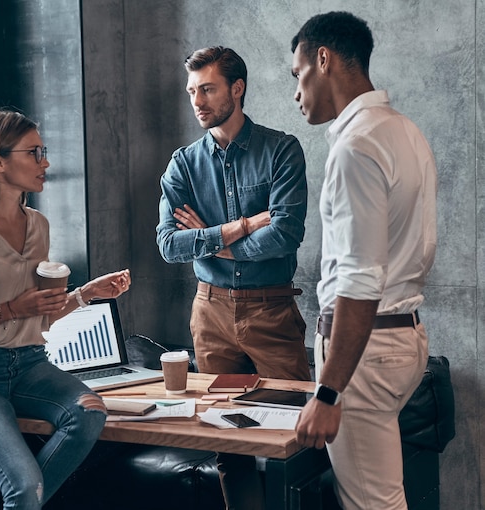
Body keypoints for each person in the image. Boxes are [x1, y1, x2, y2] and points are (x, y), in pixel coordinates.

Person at [0, 109, 132, 509]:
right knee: (24, 486)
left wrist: (86, 293)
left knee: (89, 412)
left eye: (44, 151)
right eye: (34, 152)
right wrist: (11, 309)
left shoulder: (38, 224)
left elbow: (38, 315)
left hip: (32, 366)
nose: (46, 162)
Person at [290, 11, 437, 510]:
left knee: (374, 505)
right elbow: (417, 251)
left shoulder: (356, 146)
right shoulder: (404, 131)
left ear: (323, 59)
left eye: (298, 74)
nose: (296, 92)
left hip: (363, 356)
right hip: (403, 337)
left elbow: (359, 280)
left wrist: (328, 394)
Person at [156, 46, 309, 510]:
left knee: (295, 434)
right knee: (227, 440)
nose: (197, 101)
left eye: (207, 89)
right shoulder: (182, 164)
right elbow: (168, 245)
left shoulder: (281, 150)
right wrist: (239, 227)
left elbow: (284, 235)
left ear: (236, 89)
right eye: (191, 91)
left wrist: (204, 237)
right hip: (211, 313)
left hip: (272, 309)